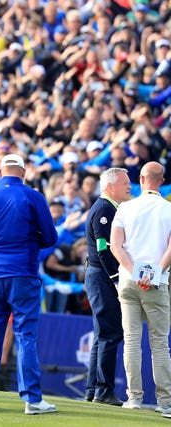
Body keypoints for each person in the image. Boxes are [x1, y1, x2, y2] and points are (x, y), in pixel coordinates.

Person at [0, 153, 58, 415]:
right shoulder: (34, 196)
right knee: (25, 335)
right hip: (23, 273)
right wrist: (29, 240)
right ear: (24, 172)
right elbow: (50, 238)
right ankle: (32, 399)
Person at [110, 161, 171, 416]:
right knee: (159, 343)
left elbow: (116, 246)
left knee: (132, 341)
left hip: (128, 280)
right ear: (163, 180)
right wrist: (152, 275)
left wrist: (136, 273)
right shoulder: (168, 209)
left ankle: (134, 397)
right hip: (157, 282)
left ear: (141, 178)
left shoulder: (126, 207)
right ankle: (165, 402)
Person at [84, 168, 131, 406]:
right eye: (125, 183)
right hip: (101, 276)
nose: (129, 187)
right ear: (110, 186)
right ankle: (103, 390)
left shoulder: (109, 208)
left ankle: (94, 389)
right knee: (110, 333)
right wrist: (115, 277)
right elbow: (103, 247)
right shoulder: (104, 209)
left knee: (103, 334)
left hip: (98, 276)